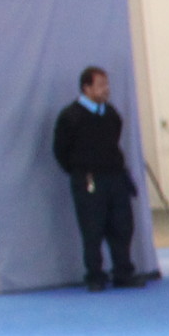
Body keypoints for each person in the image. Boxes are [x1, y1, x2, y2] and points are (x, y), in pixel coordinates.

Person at [51, 66, 142, 290]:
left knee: (122, 226)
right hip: (89, 180)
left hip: (115, 178)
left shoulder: (110, 114)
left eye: (107, 84)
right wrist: (80, 172)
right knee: (92, 230)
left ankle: (123, 272)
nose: (106, 90)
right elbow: (60, 151)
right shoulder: (70, 116)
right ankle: (95, 276)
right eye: (100, 85)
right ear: (86, 88)